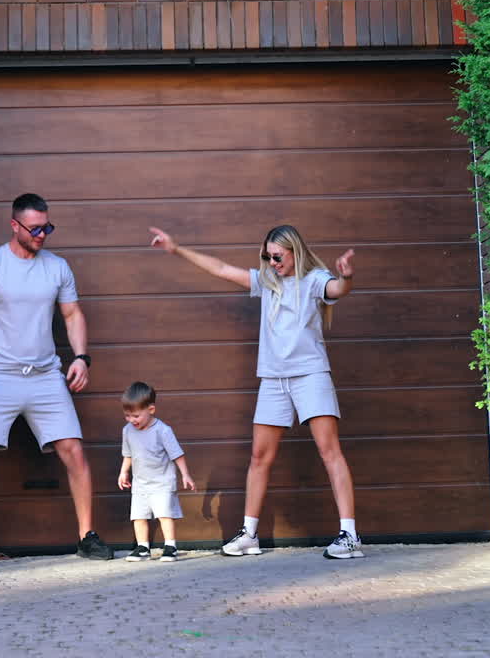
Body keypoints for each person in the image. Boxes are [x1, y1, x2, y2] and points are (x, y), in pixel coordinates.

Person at [150, 223, 362, 560]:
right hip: (274, 380)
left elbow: (338, 290)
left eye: (277, 256)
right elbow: (221, 269)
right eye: (267, 257)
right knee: (259, 458)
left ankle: (350, 536)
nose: (272, 262)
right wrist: (176, 249)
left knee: (330, 453)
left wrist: (347, 277)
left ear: (294, 251)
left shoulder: (314, 279)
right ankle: (249, 534)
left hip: (310, 375)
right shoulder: (267, 282)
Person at [0, 193, 113, 567]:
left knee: (73, 450)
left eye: (47, 227)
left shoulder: (56, 267)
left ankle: (86, 537)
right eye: (35, 228)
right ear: (15, 226)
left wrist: (80, 358)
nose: (42, 234)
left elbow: (73, 314)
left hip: (45, 377)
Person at [118, 381, 196, 561]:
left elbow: (177, 454)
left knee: (164, 514)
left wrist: (185, 474)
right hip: (140, 483)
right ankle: (143, 547)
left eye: (136, 415)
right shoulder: (127, 431)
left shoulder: (163, 430)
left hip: (162, 482)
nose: (131, 420)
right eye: (127, 415)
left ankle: (170, 546)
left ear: (151, 409)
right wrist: (124, 472)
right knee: (138, 516)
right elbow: (128, 454)